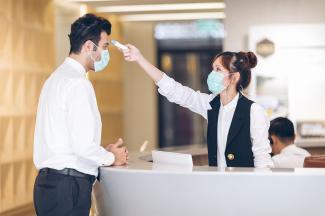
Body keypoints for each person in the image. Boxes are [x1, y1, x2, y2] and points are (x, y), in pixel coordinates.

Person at [33, 14, 128, 216]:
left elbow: (69, 139)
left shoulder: (55, 78)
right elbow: (82, 146)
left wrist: (100, 153)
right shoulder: (78, 83)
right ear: (88, 46)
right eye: (104, 47)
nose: (105, 54)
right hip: (68, 187)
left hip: (48, 185)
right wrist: (112, 157)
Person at [121, 45, 274, 168]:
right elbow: (175, 91)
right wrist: (140, 59)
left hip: (246, 190)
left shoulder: (253, 111)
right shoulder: (211, 105)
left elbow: (262, 159)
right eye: (213, 68)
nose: (212, 74)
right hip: (219, 189)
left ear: (234, 77)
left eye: (218, 70)